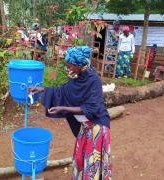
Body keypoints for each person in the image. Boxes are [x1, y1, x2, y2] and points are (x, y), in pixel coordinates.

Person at [29, 46, 112, 179]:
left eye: (71, 66)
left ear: (80, 64)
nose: (69, 69)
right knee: (80, 160)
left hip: (97, 127)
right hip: (85, 127)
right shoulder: (78, 77)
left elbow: (91, 108)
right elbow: (61, 91)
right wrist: (40, 89)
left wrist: (63, 108)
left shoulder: (93, 80)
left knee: (92, 164)